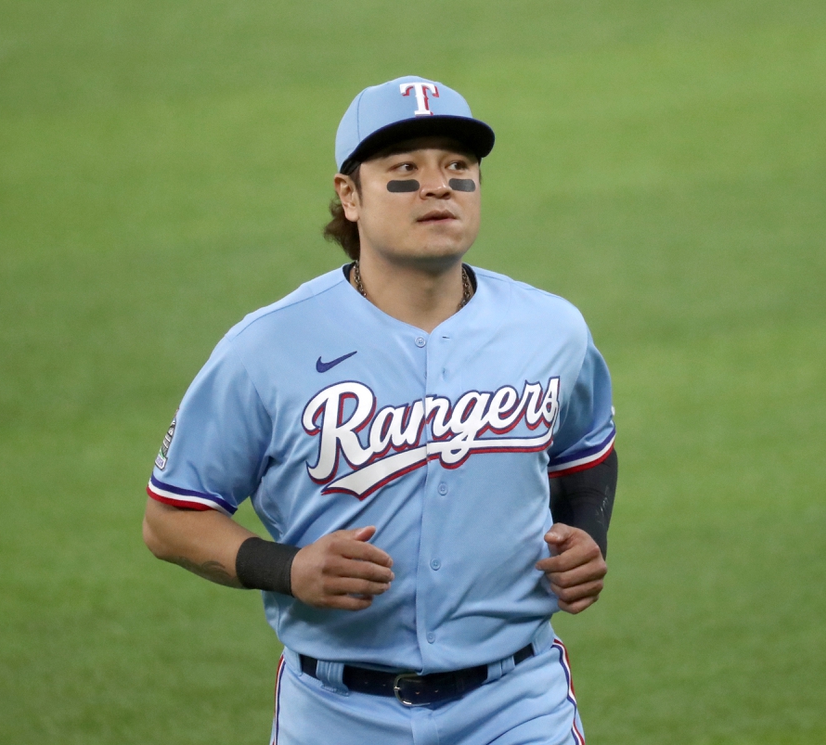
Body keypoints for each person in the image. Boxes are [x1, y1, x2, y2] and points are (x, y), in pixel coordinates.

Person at [142, 75, 617, 745]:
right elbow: (171, 516)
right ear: (349, 195)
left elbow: (586, 452)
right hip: (337, 713)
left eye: (458, 167)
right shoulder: (267, 346)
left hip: (516, 704)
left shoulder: (552, 330)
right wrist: (289, 567)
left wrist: (588, 531)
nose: (437, 186)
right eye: (404, 170)